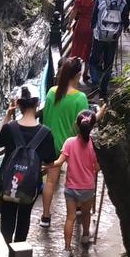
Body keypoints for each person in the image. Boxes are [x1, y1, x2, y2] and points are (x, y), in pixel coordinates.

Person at [0, 86, 55, 242]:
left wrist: (8, 115)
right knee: (23, 221)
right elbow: (50, 161)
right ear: (37, 103)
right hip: (30, 185)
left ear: (18, 104)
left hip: (7, 184)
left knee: (6, 224)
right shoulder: (45, 133)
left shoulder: (10, 128)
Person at [44, 107, 106, 257]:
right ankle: (85, 236)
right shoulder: (95, 144)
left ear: (76, 125)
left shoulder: (69, 142)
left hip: (71, 187)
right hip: (87, 187)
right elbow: (97, 167)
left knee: (70, 218)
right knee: (85, 213)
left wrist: (47, 165)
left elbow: (59, 162)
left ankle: (66, 249)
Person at [39, 56, 89, 226]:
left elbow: (45, 117)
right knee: (77, 178)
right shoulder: (80, 98)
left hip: (50, 143)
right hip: (71, 145)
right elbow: (83, 123)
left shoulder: (52, 92)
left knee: (50, 182)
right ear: (77, 75)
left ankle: (45, 216)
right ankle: (80, 207)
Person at [89, 0, 127, 98]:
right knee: (108, 64)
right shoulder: (123, 3)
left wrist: (93, 27)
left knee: (93, 61)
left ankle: (95, 81)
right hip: (113, 38)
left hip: (99, 35)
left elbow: (94, 17)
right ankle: (104, 89)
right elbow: (125, 21)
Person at [69, 0, 103, 83]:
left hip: (81, 25)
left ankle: (73, 73)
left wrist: (69, 24)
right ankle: (85, 73)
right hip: (93, 27)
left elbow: (74, 12)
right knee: (88, 50)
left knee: (76, 49)